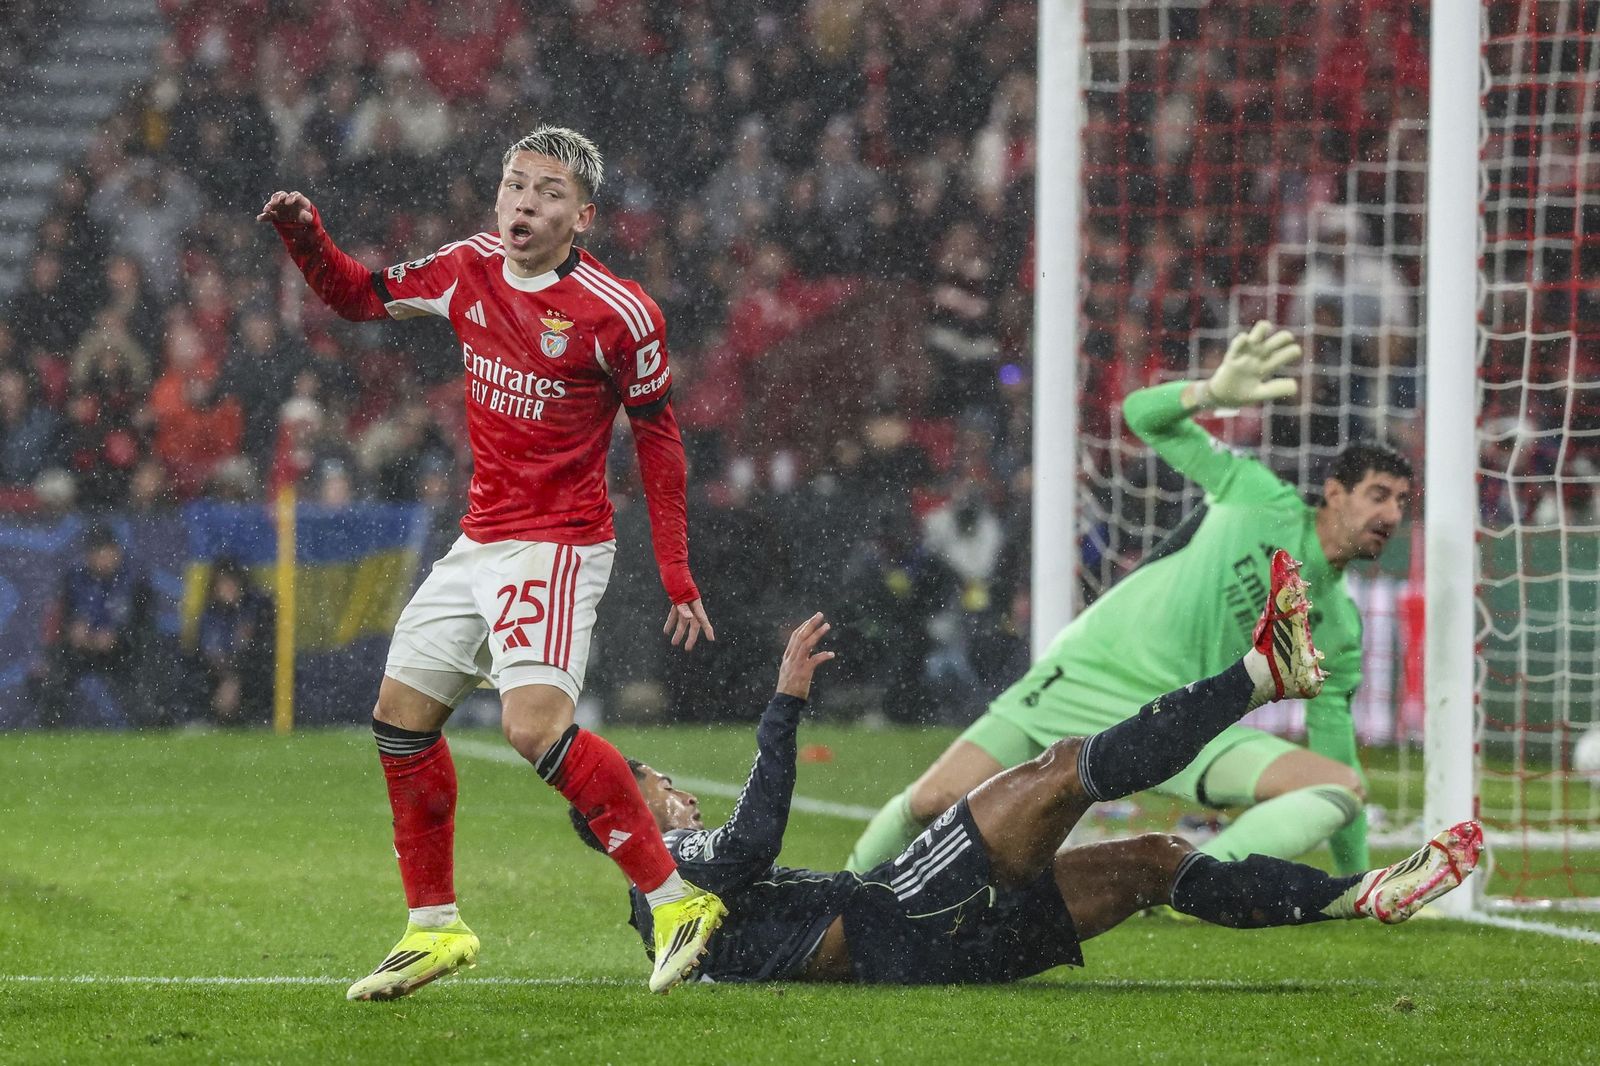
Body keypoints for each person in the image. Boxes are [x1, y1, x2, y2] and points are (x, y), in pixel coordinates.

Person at [258, 125, 724, 1000]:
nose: (524, 201)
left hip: (556, 544)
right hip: (480, 539)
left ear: (581, 216)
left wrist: (676, 569)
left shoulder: (618, 314)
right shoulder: (467, 267)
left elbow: (659, 439)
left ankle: (674, 902)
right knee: (400, 719)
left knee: (532, 729)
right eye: (515, 184)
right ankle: (434, 928)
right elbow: (360, 296)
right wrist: (306, 236)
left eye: (547, 192)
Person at [575, 561, 1481, 985]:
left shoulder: (669, 913)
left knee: (1153, 863)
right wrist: (783, 705)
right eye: (648, 781)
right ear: (625, 809)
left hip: (943, 958)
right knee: (1059, 771)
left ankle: (1359, 894)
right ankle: (1259, 677)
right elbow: (756, 838)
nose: (666, 788)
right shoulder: (669, 873)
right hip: (895, 920)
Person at [848, 321, 1411, 877]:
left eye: (1402, 502)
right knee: (931, 800)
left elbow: (1335, 747)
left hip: (1177, 722)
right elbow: (1143, 415)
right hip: (1088, 672)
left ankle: (1192, 886)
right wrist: (1210, 393)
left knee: (1341, 785)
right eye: (1378, 496)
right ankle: (834, 898)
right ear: (1334, 493)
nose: (1390, 515)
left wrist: (1357, 880)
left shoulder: (1336, 624)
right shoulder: (1261, 497)